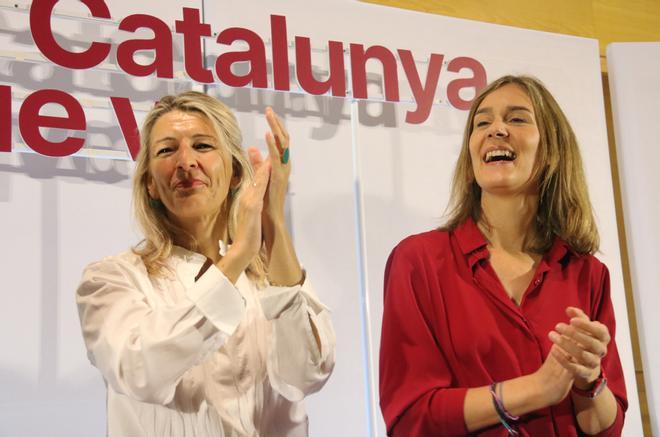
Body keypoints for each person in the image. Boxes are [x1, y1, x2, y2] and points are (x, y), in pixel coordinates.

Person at [76, 91, 335, 437]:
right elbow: (138, 370)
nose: (186, 162)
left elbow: (309, 373)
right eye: (167, 150)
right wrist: (237, 255)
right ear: (150, 183)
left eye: (202, 146)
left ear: (234, 175)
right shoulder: (111, 279)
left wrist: (273, 219)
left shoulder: (267, 279)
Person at [379, 75, 627, 436]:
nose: (496, 129)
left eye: (516, 118)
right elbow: (410, 418)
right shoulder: (419, 261)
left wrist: (589, 379)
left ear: (552, 150)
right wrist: (536, 389)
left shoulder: (587, 273)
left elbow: (606, 427)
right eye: (482, 122)